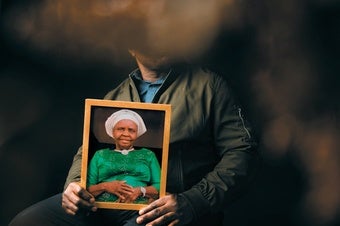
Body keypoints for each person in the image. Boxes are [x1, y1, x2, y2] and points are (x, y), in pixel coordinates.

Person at [10, 48, 259, 226]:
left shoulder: (209, 85)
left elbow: (242, 151)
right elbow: (86, 151)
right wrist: (74, 186)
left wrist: (193, 201)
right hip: (107, 206)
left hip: (170, 210)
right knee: (28, 221)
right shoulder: (113, 97)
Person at [87, 109, 161, 204]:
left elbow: (160, 185)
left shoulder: (148, 155)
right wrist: (105, 186)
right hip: (103, 209)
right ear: (112, 132)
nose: (126, 134)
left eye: (131, 130)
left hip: (139, 210)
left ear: (136, 134)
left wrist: (140, 191)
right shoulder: (100, 155)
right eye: (121, 129)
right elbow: (87, 188)